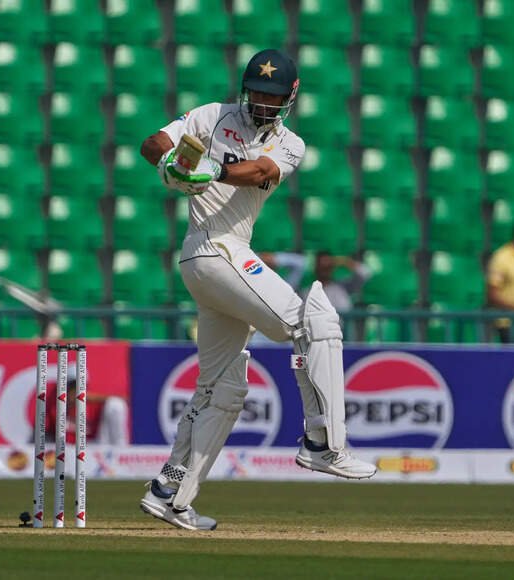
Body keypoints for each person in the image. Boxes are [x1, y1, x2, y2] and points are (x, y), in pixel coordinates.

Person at [136, 48, 375, 531]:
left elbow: (260, 173)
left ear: (290, 96)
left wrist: (211, 172)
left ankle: (170, 491)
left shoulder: (291, 144)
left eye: (271, 97)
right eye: (256, 95)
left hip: (221, 258)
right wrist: (170, 166)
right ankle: (323, 443)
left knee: (223, 387)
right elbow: (153, 142)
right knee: (315, 321)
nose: (261, 105)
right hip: (211, 250)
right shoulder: (211, 115)